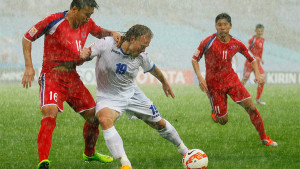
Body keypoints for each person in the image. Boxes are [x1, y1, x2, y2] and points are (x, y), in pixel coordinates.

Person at [21, 0, 121, 168]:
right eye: (86, 14)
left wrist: (112, 32)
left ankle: (89, 154)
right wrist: (29, 67)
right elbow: (27, 37)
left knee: (94, 117)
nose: (88, 18)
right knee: (49, 113)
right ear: (74, 9)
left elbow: (98, 31)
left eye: (91, 15)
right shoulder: (54, 20)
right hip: (52, 76)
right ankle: (43, 161)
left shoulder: (88, 23)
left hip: (72, 78)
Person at [80, 24, 189, 169]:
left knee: (159, 123)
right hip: (108, 97)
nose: (144, 50)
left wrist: (165, 83)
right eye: (143, 45)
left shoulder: (142, 56)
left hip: (133, 95)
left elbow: (153, 68)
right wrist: (83, 53)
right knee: (105, 120)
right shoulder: (107, 43)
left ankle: (185, 151)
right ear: (132, 38)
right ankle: (125, 164)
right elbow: (86, 53)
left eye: (146, 47)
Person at [191, 13, 277, 146]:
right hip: (214, 85)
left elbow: (252, 59)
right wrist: (200, 77)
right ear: (216, 26)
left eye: (225, 24)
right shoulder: (208, 42)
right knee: (223, 121)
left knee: (251, 108)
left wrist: (258, 75)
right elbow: (194, 59)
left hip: (232, 81)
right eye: (219, 25)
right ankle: (215, 110)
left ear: (230, 26)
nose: (222, 27)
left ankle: (264, 138)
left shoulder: (236, 43)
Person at [242, 24, 266, 105]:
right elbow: (246, 50)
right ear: (255, 31)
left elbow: (259, 52)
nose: (260, 32)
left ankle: (258, 99)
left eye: (261, 31)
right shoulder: (252, 39)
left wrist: (260, 59)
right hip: (250, 63)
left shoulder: (263, 40)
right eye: (258, 31)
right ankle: (237, 96)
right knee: (244, 80)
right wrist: (255, 57)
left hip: (258, 64)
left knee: (262, 79)